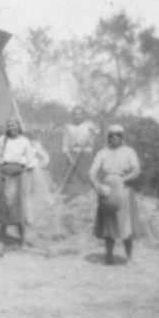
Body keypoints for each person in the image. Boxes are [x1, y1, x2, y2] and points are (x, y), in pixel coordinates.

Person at [89, 124, 142, 265]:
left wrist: (121, 180)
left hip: (124, 188)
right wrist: (97, 186)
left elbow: (136, 170)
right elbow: (92, 172)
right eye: (111, 135)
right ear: (108, 137)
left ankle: (129, 257)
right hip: (107, 189)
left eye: (118, 135)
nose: (114, 138)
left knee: (126, 224)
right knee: (108, 224)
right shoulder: (102, 153)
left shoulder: (129, 152)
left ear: (122, 137)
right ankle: (109, 257)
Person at [0, 119, 35, 248]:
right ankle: (2, 236)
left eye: (14, 126)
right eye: (9, 126)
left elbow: (30, 163)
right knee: (4, 204)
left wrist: (30, 180)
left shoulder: (24, 141)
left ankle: (22, 238)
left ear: (19, 127)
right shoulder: (2, 140)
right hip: (5, 173)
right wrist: (0, 174)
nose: (12, 128)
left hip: (20, 174)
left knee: (19, 205)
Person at [61, 106, 98, 196]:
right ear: (72, 115)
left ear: (83, 115)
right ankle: (73, 195)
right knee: (72, 175)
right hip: (73, 153)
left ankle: (87, 194)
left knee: (85, 174)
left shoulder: (89, 125)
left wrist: (94, 131)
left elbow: (98, 134)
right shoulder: (68, 127)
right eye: (75, 114)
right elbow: (65, 145)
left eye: (79, 114)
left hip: (86, 153)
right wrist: (69, 156)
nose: (77, 116)